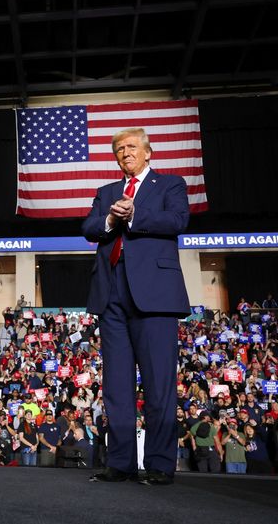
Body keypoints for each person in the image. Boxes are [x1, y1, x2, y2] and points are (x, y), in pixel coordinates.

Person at [83, 127, 190, 486]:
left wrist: (133, 217)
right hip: (110, 291)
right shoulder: (106, 193)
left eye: (131, 146)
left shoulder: (170, 184)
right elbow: (89, 227)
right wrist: (111, 219)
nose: (124, 152)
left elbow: (177, 220)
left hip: (154, 295)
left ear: (148, 152)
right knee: (116, 384)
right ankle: (121, 463)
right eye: (118, 149)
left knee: (159, 383)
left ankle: (160, 464)